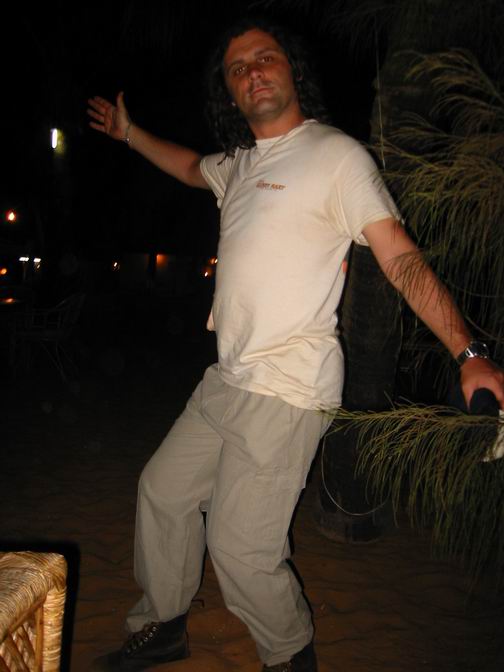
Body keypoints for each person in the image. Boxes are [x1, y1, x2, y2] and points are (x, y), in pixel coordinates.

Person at [87, 17, 504, 672]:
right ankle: (162, 625)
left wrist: (469, 355)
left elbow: (399, 257)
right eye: (238, 68)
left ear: (291, 70)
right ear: (230, 92)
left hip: (287, 388)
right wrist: (129, 132)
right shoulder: (239, 165)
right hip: (227, 378)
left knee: (242, 549)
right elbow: (189, 167)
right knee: (161, 493)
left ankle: (289, 657)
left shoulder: (337, 157)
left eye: (265, 57)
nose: (253, 71)